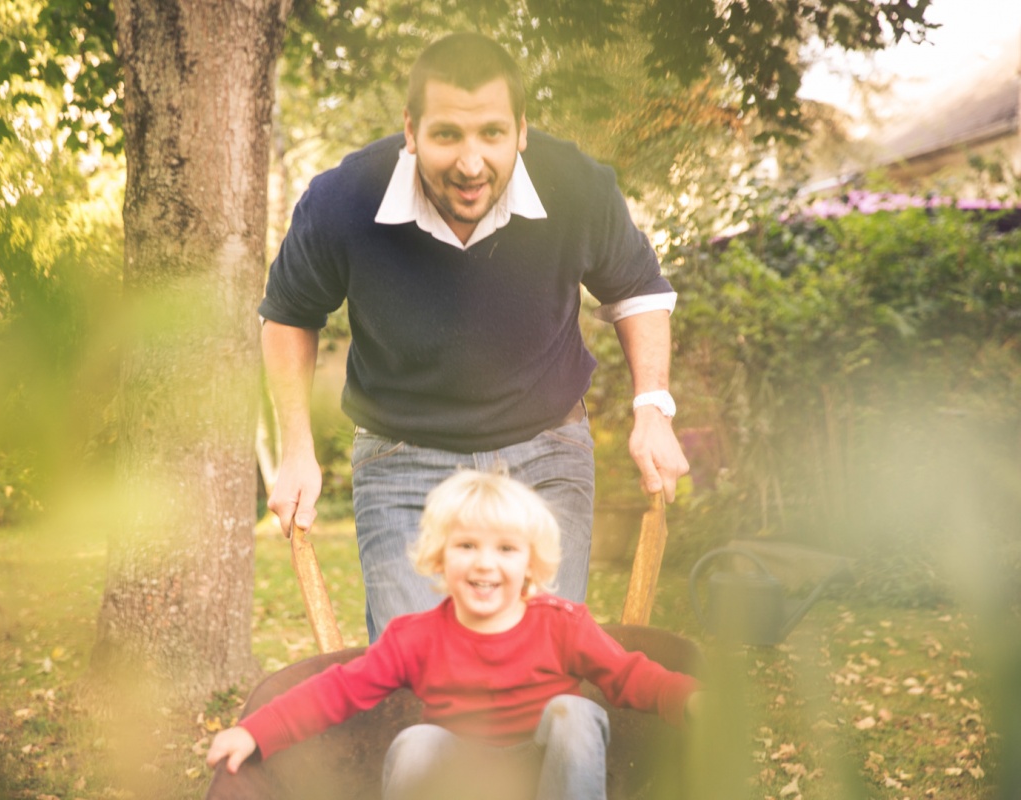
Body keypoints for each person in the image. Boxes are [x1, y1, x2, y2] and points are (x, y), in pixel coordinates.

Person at [260, 31, 690, 641]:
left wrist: (653, 409)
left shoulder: (575, 186)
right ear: (411, 131)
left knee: (542, 666)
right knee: (417, 679)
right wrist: (296, 448)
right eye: (446, 135)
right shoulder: (344, 200)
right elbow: (289, 315)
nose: (470, 163)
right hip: (402, 456)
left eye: (491, 133)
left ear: (520, 130)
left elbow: (638, 290)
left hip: (546, 446)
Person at [208, 471, 700, 799]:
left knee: (576, 713)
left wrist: (691, 698)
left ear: (531, 564)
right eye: (467, 545)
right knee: (417, 742)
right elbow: (336, 690)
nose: (486, 562)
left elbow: (628, 674)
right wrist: (256, 731)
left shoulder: (561, 624)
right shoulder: (416, 639)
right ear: (440, 558)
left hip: (546, 778)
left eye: (506, 548)